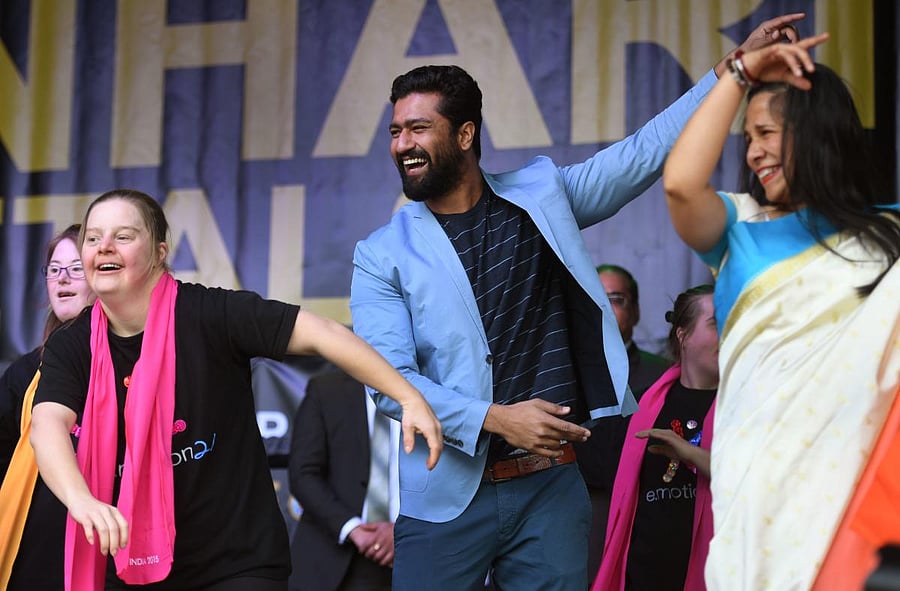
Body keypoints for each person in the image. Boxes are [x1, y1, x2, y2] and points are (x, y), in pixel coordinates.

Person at [349, 14, 804, 590]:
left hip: (551, 491)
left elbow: (644, 153)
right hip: (445, 499)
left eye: (418, 129)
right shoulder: (381, 253)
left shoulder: (543, 197)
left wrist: (733, 71)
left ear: (465, 135)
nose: (402, 146)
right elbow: (387, 381)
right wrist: (496, 419)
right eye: (395, 132)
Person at [29, 189, 442, 591]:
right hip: (129, 564)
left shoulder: (211, 314)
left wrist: (408, 397)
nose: (103, 247)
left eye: (122, 236)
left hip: (236, 563)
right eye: (93, 237)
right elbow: (47, 423)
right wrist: (81, 501)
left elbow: (322, 333)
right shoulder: (74, 344)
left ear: (159, 253)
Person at [663, 33, 900, 590]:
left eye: (766, 133)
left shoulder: (890, 237)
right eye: (748, 138)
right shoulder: (739, 229)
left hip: (862, 489)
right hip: (759, 491)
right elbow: (679, 184)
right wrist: (740, 74)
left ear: (818, 136)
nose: (752, 153)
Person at [592, 285, 717, 591]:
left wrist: (690, 453)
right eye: (717, 324)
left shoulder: (749, 407)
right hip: (644, 575)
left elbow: (760, 478)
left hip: (715, 575)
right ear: (683, 335)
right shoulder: (638, 408)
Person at [0, 224, 97, 590]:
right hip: (36, 549)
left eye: (75, 268)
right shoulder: (25, 372)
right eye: (54, 269)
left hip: (109, 539)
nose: (62, 279)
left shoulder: (133, 364)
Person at [576, 264, 671, 578]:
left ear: (636, 311)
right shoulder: (557, 369)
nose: (604, 306)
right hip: (574, 516)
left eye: (616, 299)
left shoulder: (665, 375)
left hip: (648, 517)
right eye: (595, 296)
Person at [288, 370, 398, 591]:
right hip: (333, 555)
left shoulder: (434, 390)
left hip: (412, 556)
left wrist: (402, 531)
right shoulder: (327, 389)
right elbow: (303, 473)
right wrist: (352, 528)